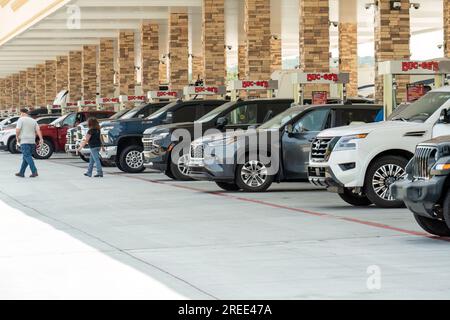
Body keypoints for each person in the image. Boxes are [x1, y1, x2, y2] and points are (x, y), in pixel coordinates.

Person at [15, 108, 43, 178]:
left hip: (24, 141)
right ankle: (21, 172)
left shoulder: (21, 119)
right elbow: (38, 130)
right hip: (32, 141)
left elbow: (18, 130)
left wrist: (17, 138)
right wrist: (41, 139)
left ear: (22, 113)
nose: (20, 115)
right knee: (26, 157)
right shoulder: (33, 121)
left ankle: (34, 171)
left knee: (27, 156)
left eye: (20, 113)